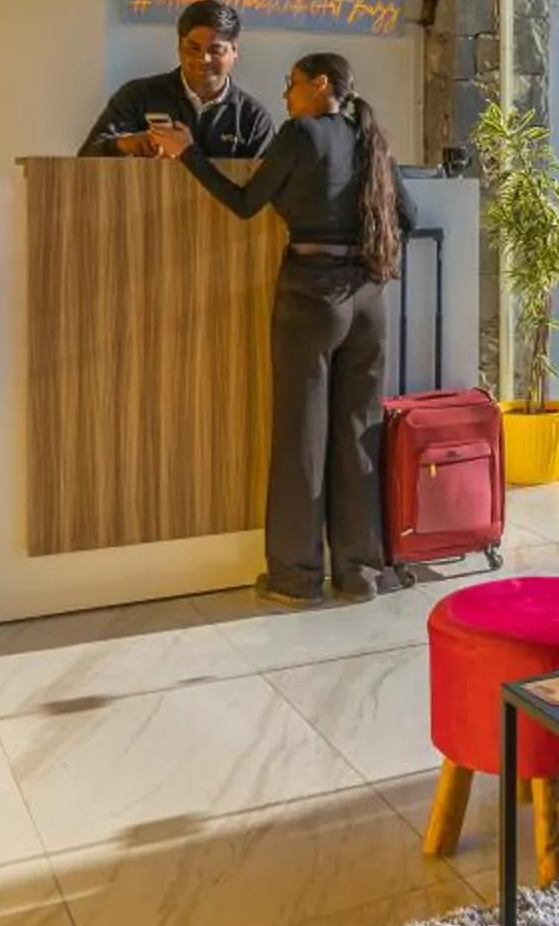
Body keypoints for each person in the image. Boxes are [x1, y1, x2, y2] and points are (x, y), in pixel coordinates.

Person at [155, 51, 414, 605]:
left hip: (310, 293)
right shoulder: (373, 140)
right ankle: (360, 572)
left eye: (292, 84)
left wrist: (188, 155)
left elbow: (246, 202)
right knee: (359, 433)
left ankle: (297, 578)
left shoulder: (300, 134)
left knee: (302, 435)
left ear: (321, 85)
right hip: (368, 298)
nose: (286, 94)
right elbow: (408, 217)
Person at [79, 0, 275, 158]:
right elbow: (86, 158)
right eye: (193, 48)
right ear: (179, 47)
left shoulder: (254, 118)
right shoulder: (138, 96)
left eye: (215, 50)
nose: (203, 59)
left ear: (234, 51)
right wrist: (126, 144)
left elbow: (267, 187)